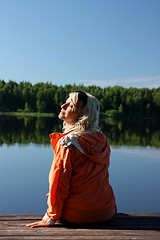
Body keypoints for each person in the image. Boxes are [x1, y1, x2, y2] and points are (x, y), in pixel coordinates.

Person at [26, 90, 116, 228]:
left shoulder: (68, 143)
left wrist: (49, 218)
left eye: (70, 105)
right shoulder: (102, 139)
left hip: (77, 216)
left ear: (82, 114)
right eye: (65, 102)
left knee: (54, 193)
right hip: (106, 212)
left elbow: (59, 183)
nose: (63, 105)